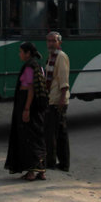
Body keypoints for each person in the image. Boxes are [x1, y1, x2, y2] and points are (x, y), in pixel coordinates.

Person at [5, 42, 48, 181]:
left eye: (21, 52)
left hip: (29, 104)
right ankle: (41, 171)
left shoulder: (30, 67)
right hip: (38, 106)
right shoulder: (38, 65)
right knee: (38, 136)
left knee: (28, 138)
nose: (19, 54)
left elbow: (30, 89)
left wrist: (26, 109)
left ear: (28, 53)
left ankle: (31, 172)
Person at [44, 31, 71, 172]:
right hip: (52, 99)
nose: (50, 43)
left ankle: (58, 163)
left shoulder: (61, 57)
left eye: (53, 41)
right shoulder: (51, 57)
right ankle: (59, 162)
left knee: (57, 134)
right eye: (48, 41)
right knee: (56, 133)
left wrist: (61, 99)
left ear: (59, 42)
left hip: (57, 101)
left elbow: (63, 80)